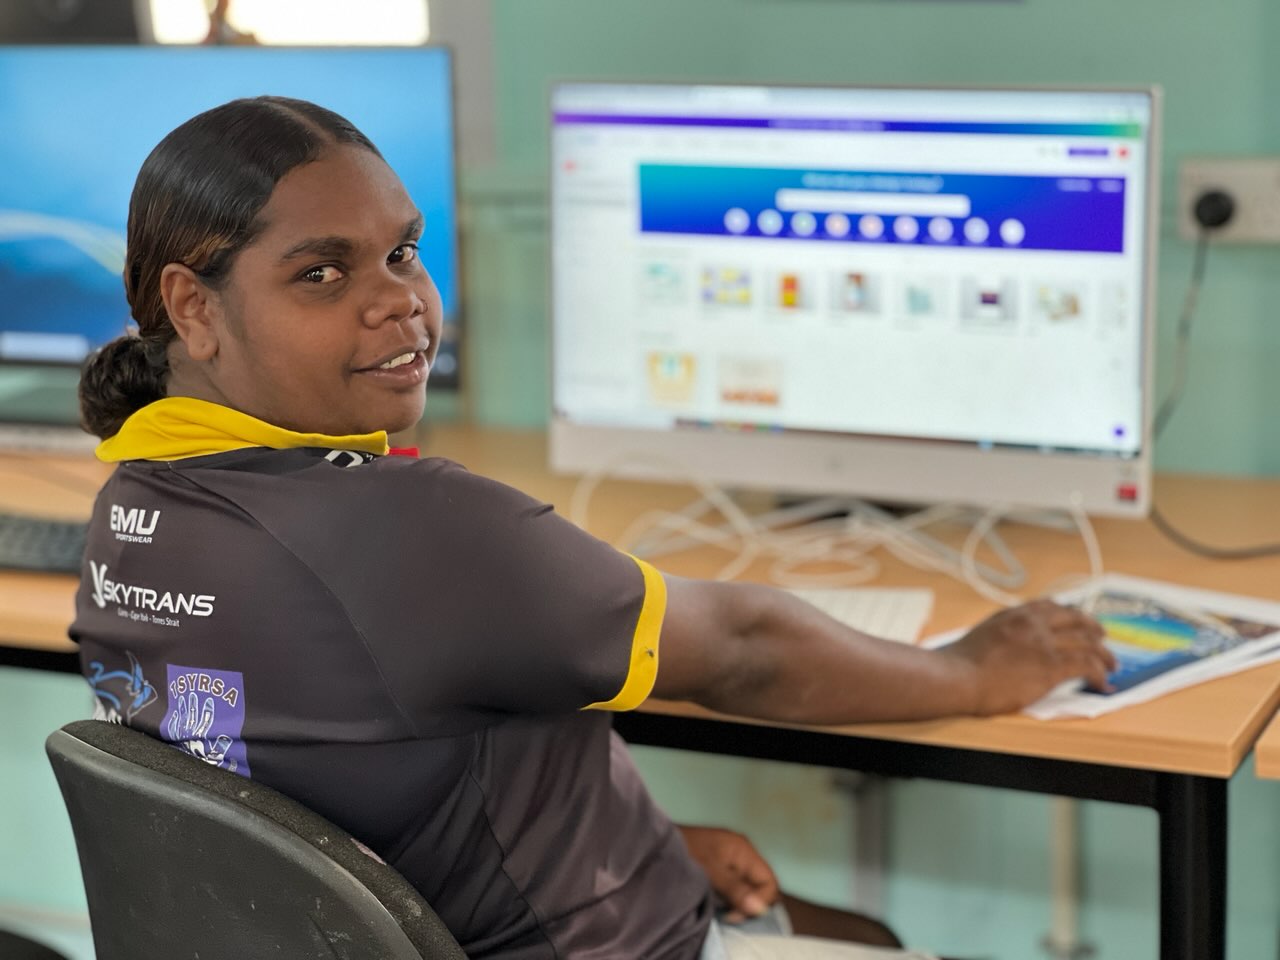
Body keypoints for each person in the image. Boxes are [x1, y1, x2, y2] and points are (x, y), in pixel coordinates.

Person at [70, 96, 1115, 960]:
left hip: (457, 916)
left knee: (848, 928)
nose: (401, 304)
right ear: (194, 309)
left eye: (403, 252)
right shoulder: (415, 527)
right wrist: (974, 671)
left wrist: (632, 842)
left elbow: (340, 781)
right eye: (323, 273)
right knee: (881, 939)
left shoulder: (134, 507)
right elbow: (744, 651)